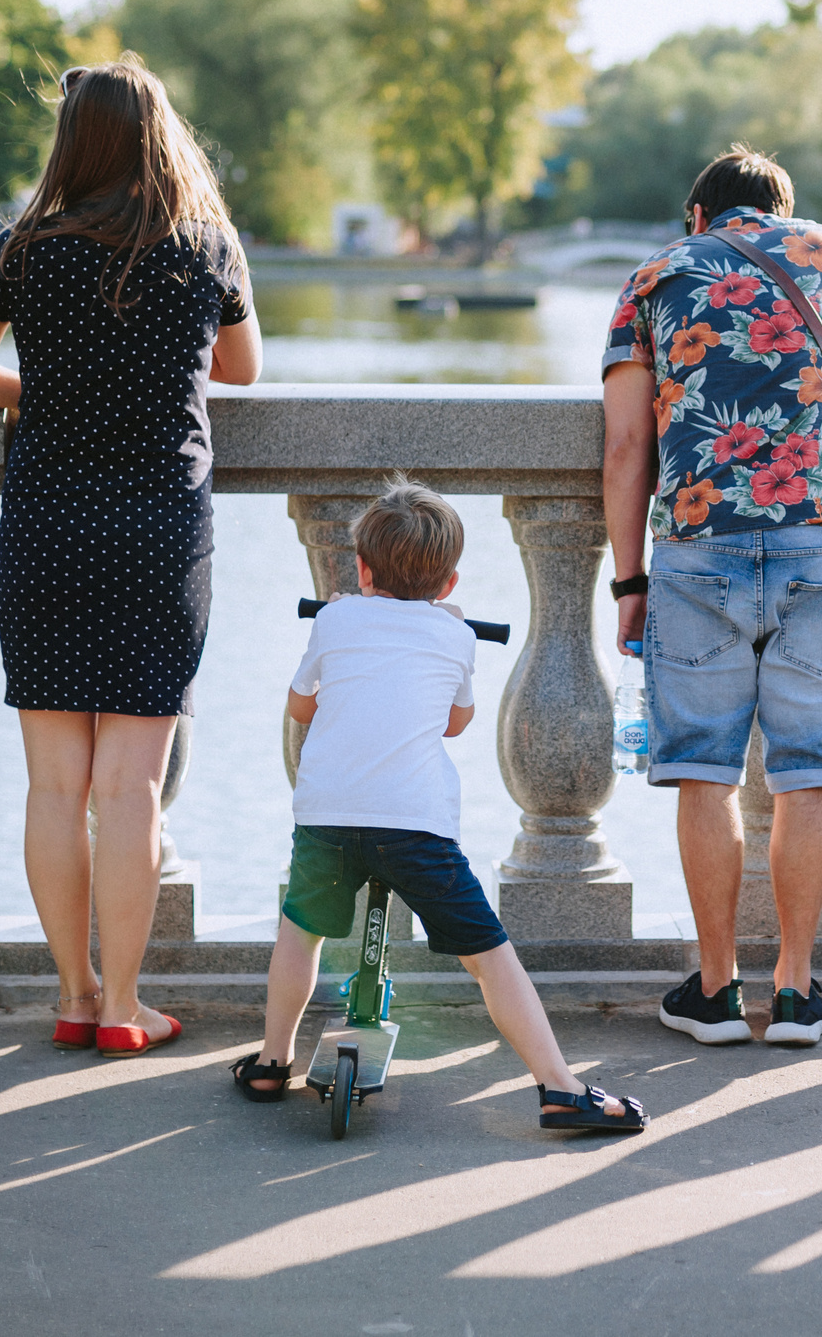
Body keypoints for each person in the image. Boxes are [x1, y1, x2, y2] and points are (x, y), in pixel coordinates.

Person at [0, 58, 263, 1056]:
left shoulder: (25, 244)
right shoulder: (202, 242)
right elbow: (241, 369)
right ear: (159, 135)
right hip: (159, 528)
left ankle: (73, 992)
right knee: (129, 788)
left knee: (53, 786)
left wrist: (39, 391)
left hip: (48, 525)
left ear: (72, 140)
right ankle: (126, 1006)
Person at [601, 145, 822, 1047]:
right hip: (819, 549)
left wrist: (628, 580)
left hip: (696, 551)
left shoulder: (656, 276)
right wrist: (807, 362)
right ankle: (794, 991)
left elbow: (626, 447)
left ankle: (715, 992)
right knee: (809, 773)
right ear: (784, 209)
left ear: (698, 215)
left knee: (704, 773)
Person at [229, 481, 646, 1131]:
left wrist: (342, 621)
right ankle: (560, 1086)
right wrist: (449, 637)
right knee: (488, 953)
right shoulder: (453, 636)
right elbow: (456, 722)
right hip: (415, 827)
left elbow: (300, 706)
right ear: (449, 583)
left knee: (301, 930)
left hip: (328, 819)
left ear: (361, 568)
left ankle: (272, 1059)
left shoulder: (336, 618)